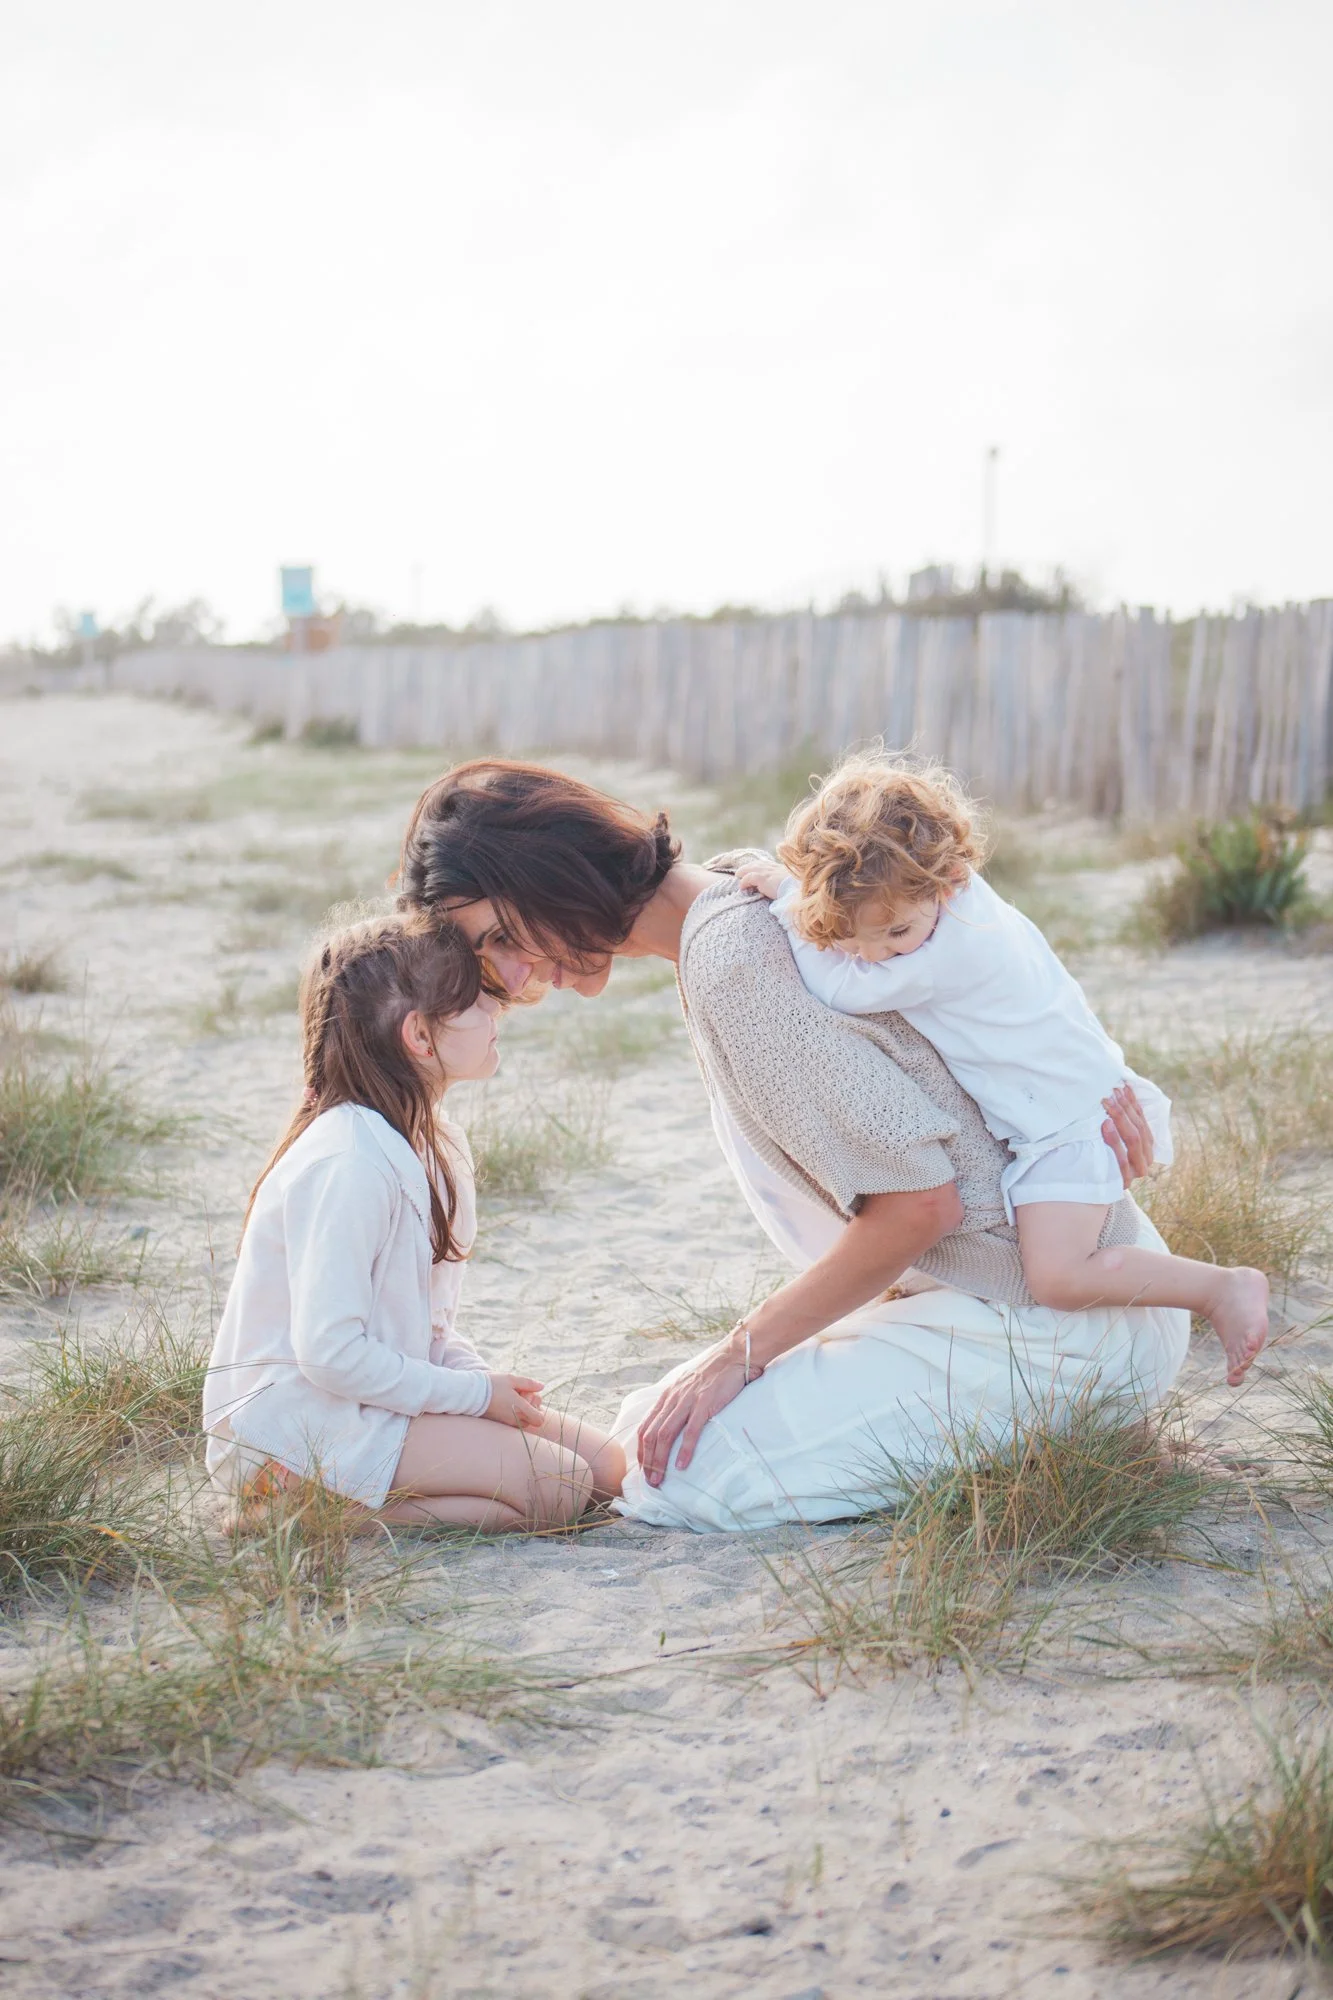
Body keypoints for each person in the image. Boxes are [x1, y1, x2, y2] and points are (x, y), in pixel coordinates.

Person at [396, 758, 1192, 1534]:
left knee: (679, 1481)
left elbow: (918, 1206)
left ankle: (1059, 1434)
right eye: (487, 953)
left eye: (503, 933)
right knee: (646, 1437)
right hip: (1046, 1293)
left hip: (1055, 1326)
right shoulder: (736, 903)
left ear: (553, 876)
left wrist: (737, 1355)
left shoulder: (734, 957)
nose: (513, 970)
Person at [736, 750, 1267, 1387]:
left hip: (1069, 1127)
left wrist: (787, 898)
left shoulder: (954, 948)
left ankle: (1218, 1287)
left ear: (951, 878)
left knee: (1058, 1278)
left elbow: (837, 991)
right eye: (854, 943)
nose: (876, 957)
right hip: (1068, 1098)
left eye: (894, 935)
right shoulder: (933, 898)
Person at [203, 913, 624, 1531]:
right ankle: (299, 1517)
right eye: (474, 1000)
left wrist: (480, 1384)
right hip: (296, 1426)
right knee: (561, 1490)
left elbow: (422, 1326)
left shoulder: (433, 1144)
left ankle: (356, 1497)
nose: (495, 1009)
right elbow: (329, 1356)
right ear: (420, 1038)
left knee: (609, 1470)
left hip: (376, 1398)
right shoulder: (348, 1162)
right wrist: (478, 1400)